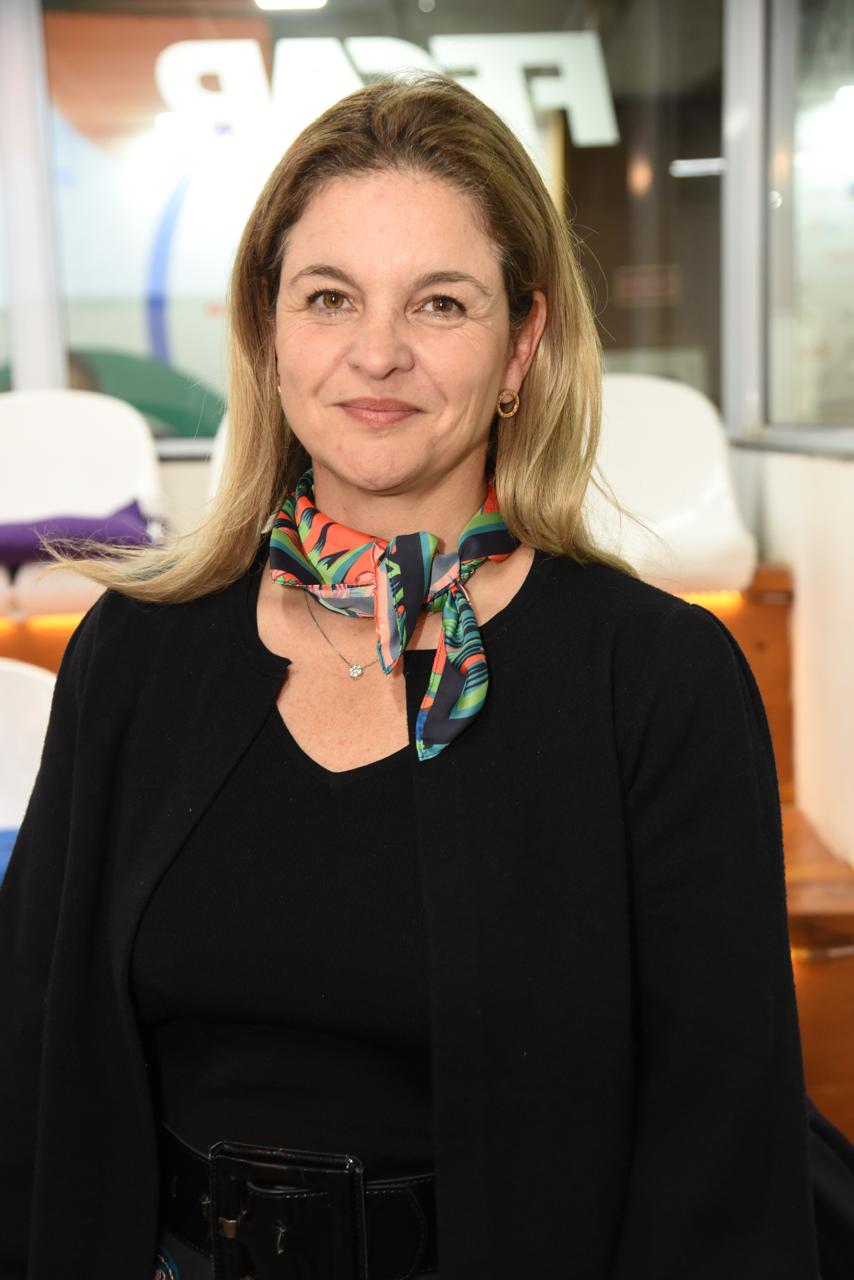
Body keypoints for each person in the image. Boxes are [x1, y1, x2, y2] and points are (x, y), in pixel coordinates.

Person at [1, 72, 851, 1280]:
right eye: (328, 296)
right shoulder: (135, 653)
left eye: (439, 302)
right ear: (268, 334)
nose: (376, 352)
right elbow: (33, 1059)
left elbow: (718, 1158)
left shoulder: (657, 682)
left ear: (521, 346)